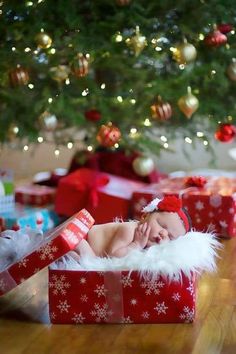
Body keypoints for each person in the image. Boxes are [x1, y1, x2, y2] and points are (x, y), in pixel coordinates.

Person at [74, 195, 191, 259]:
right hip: (82, 240)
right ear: (145, 216)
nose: (163, 234)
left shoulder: (149, 247)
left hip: (93, 253)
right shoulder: (130, 230)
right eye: (161, 224)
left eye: (170, 237)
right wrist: (136, 245)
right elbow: (112, 257)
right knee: (83, 256)